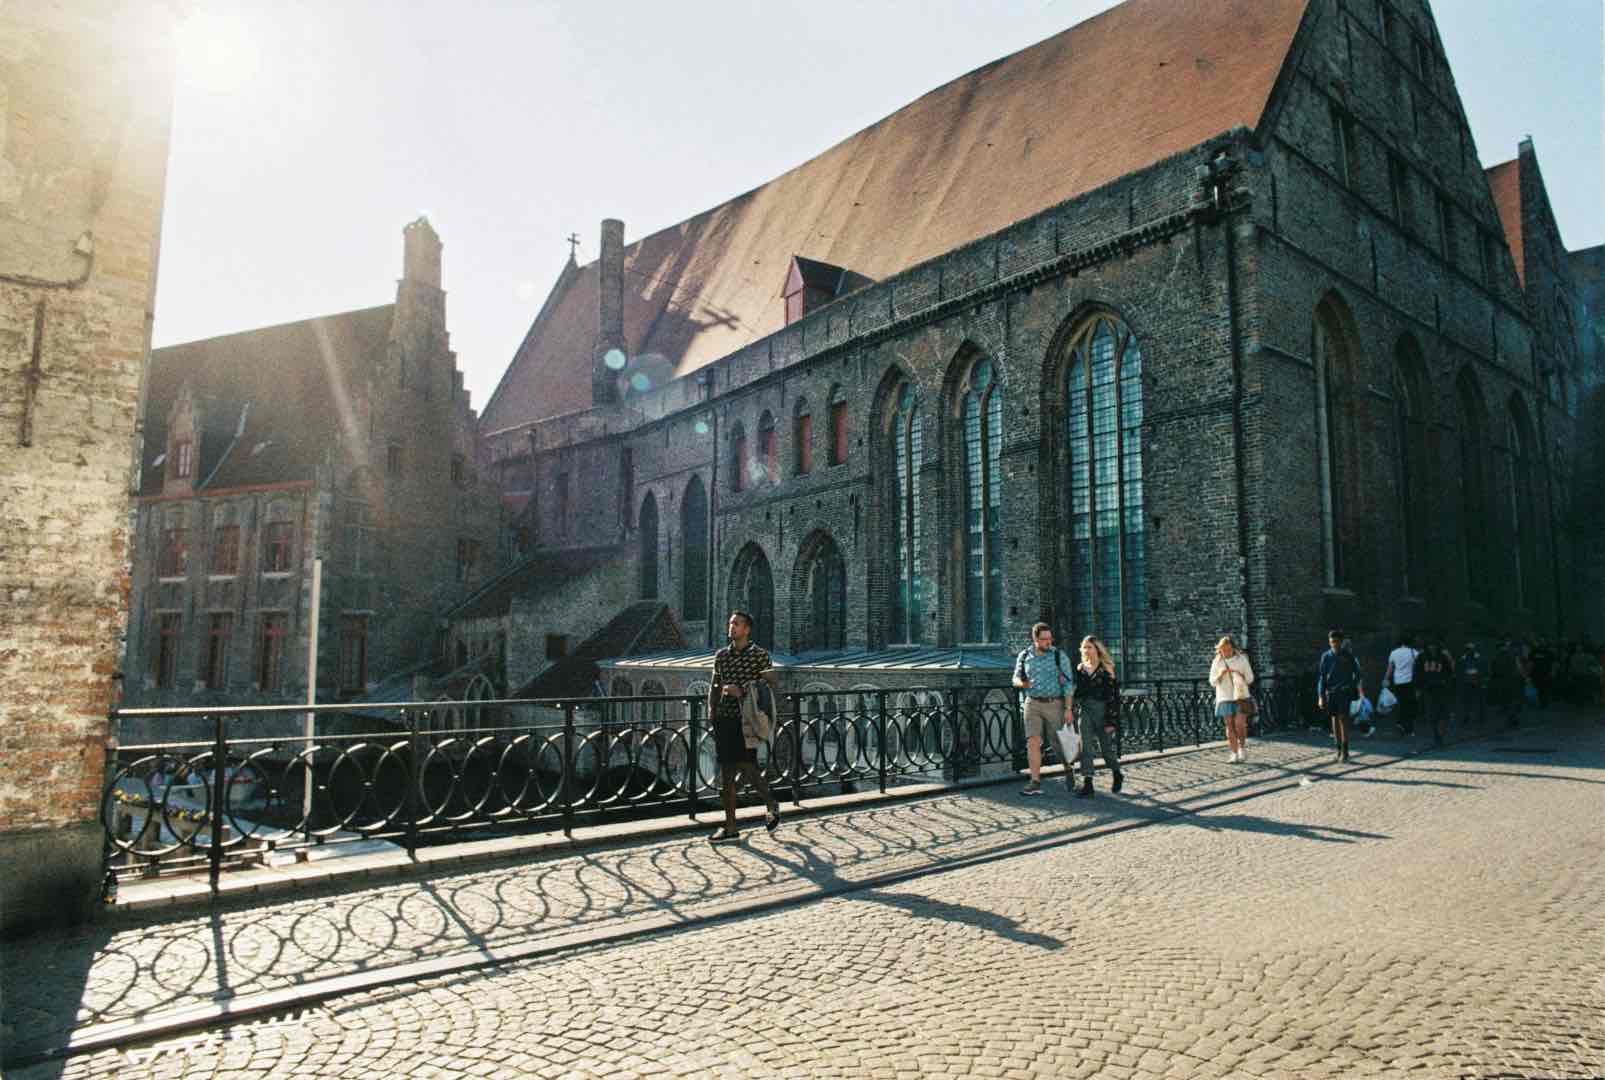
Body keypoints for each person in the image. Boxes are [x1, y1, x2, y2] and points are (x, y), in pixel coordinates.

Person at [705, 610, 781, 843]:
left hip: (747, 719)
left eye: (736, 624)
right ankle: (730, 828)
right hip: (725, 718)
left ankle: (771, 803)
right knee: (727, 773)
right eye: (730, 623)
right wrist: (712, 709)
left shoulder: (760, 655)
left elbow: (771, 684)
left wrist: (744, 690)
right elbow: (715, 684)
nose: (731, 627)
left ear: (747, 629)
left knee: (746, 766)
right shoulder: (721, 656)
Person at [1013, 622, 1075, 795]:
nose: (1049, 642)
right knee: (1032, 741)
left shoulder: (1058, 656)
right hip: (1031, 702)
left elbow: (1069, 683)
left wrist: (1068, 708)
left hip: (1054, 703)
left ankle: (1068, 768)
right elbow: (1015, 679)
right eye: (1044, 639)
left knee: (1057, 743)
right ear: (1035, 639)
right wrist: (1022, 683)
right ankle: (1035, 781)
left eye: (1050, 638)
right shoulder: (1024, 656)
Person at [1071, 635, 1124, 798]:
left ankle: (1117, 773)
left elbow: (1114, 696)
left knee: (1106, 749)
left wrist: (1112, 720)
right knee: (1085, 748)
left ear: (1097, 649)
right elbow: (1078, 692)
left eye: (1090, 647)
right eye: (1084, 647)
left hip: (1103, 711)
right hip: (1086, 710)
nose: (1086, 650)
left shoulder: (1106, 668)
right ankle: (1088, 784)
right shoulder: (1080, 668)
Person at [1316, 629, 1365, 763]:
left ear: (1341, 642)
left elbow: (1358, 673)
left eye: (1336, 642)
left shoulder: (1348, 656)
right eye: (1332, 642)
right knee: (1334, 720)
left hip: (1344, 692)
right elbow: (1322, 677)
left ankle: (1345, 751)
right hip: (1331, 692)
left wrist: (1351, 685)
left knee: (1343, 719)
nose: (1334, 645)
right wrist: (1320, 695)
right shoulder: (1326, 656)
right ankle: (1338, 750)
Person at [1209, 635, 1255, 762]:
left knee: (1239, 724)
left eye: (1229, 650)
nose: (1226, 653)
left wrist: (1240, 675)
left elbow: (1251, 678)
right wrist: (1220, 674)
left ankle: (1242, 748)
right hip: (1224, 696)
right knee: (1229, 725)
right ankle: (1233, 753)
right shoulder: (1217, 661)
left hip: (1240, 696)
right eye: (1223, 650)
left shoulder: (1242, 660)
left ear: (1233, 648)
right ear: (1220, 650)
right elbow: (1212, 682)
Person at [1417, 634, 1455, 747]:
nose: (1432, 648)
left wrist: (1447, 683)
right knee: (1432, 714)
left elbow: (1449, 671)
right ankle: (1437, 736)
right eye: (1430, 646)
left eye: (1434, 645)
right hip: (1428, 689)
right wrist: (1418, 687)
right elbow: (1417, 672)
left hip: (1441, 688)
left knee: (1443, 713)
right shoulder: (1422, 657)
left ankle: (1440, 734)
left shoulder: (1443, 657)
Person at [1384, 633, 1421, 737]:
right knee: (1410, 704)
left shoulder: (1394, 653)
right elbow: (1417, 669)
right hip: (1410, 682)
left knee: (1401, 703)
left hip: (1398, 681)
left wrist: (1386, 679)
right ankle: (1408, 727)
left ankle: (1400, 723)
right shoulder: (1414, 653)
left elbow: (1390, 668)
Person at [1489, 636, 1525, 730]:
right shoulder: (1513, 655)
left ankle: (1511, 718)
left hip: (1502, 681)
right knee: (1513, 700)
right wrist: (1523, 677)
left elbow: (1493, 669)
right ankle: (1512, 718)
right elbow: (1519, 668)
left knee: (1507, 700)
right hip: (1512, 681)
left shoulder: (1497, 656)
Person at [1455, 641, 1486, 730]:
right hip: (1467, 683)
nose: (1470, 651)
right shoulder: (1462, 659)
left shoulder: (1479, 658)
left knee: (1479, 701)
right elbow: (1459, 672)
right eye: (1468, 649)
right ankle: (1467, 717)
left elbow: (1484, 670)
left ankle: (1480, 717)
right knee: (1467, 701)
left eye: (1471, 649)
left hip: (1477, 682)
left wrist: (1481, 680)